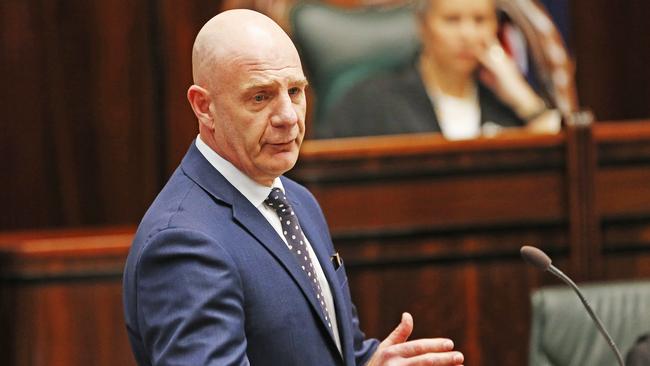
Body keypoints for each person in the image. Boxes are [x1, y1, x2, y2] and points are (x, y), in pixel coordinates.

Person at [122, 9, 464, 366]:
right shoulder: (183, 243)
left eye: (296, 91)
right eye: (260, 97)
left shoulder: (296, 200)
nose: (288, 116)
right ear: (204, 107)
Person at [317, 0, 560, 140]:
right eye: (452, 20)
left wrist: (524, 100)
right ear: (422, 26)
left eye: (480, 20)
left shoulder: (505, 107)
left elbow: (552, 162)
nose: (467, 34)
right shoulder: (370, 100)